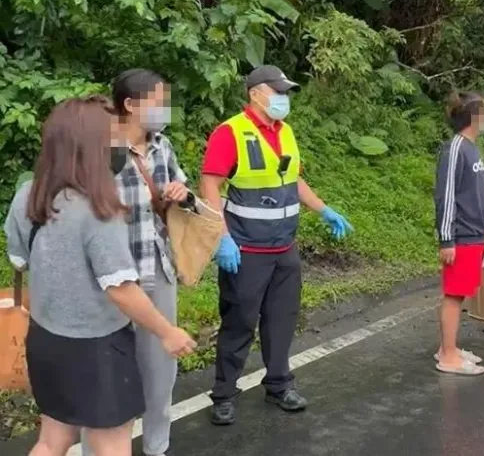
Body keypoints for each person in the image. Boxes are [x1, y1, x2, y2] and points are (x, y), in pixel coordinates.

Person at [4, 96, 195, 456]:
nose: (120, 146)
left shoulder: (28, 196)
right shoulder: (98, 210)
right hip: (97, 350)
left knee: (52, 440)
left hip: (46, 339)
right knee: (111, 445)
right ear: (89, 147)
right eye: (113, 138)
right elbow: (121, 289)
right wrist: (167, 331)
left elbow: (19, 259)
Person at [200, 65, 353, 425]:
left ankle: (279, 384)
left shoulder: (285, 132)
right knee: (238, 322)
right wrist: (221, 237)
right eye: (277, 91)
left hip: (284, 247)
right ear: (255, 93)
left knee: (281, 321)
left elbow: (293, 179)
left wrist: (323, 209)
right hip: (246, 249)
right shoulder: (230, 133)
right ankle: (224, 394)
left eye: (285, 92)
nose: (283, 98)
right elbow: (209, 187)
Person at [79, 69, 189, 456]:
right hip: (109, 279)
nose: (164, 110)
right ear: (130, 105)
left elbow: (184, 191)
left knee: (160, 368)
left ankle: (157, 447)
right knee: (106, 375)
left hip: (156, 267)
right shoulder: (100, 151)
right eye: (158, 102)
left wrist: (180, 192)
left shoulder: (163, 146)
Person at [433, 92, 484, 376]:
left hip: (476, 234)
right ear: (475, 117)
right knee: (453, 295)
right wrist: (447, 240)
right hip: (461, 236)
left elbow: (469, 187)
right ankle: (448, 355)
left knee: (460, 293)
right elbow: (446, 195)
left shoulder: (472, 148)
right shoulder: (454, 149)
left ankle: (447, 347)